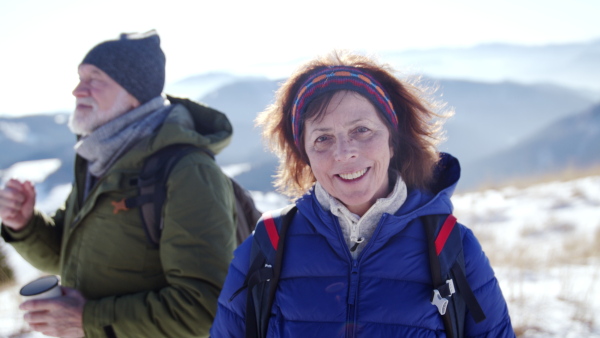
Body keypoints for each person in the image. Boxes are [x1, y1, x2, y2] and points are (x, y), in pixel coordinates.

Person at [210, 51, 515, 337]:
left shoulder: (453, 248)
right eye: (323, 139)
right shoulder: (266, 246)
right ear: (305, 154)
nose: (344, 153)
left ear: (393, 141)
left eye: (362, 130)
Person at [0, 30, 236, 338]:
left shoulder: (188, 172)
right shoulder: (101, 159)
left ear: (134, 92)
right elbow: (69, 258)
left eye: (94, 79)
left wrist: (88, 319)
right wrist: (25, 226)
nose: (76, 90)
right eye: (79, 77)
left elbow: (205, 308)